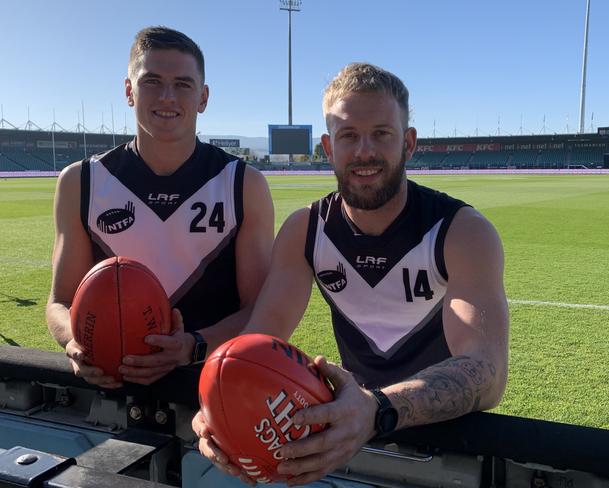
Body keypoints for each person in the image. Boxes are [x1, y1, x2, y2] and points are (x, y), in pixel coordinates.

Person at [193, 62, 509, 486]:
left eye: (381, 133)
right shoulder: (305, 229)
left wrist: (377, 409)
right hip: (349, 441)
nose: (364, 151)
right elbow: (256, 340)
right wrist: (217, 406)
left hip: (448, 450)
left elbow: (486, 371)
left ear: (409, 142)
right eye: (348, 136)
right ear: (328, 146)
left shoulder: (462, 231)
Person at [46, 26, 274, 389]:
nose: (168, 96)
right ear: (128, 91)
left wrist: (193, 346)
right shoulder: (81, 181)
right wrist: (73, 341)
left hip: (214, 389)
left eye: (183, 84)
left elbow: (260, 312)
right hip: (112, 388)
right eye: (152, 81)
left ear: (203, 97)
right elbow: (59, 302)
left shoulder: (243, 184)